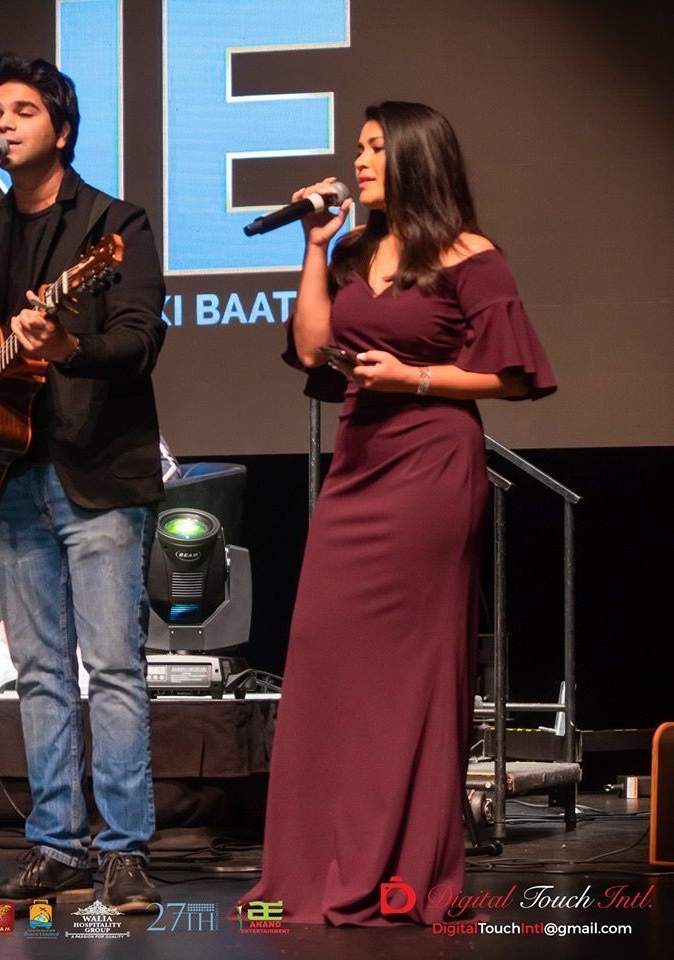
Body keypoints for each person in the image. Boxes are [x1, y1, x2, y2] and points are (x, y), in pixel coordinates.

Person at [240, 101, 556, 926]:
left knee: (409, 672)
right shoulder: (349, 250)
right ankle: (315, 864)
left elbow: (514, 380)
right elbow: (313, 351)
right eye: (359, 147)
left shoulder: (471, 257)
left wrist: (416, 379)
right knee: (321, 652)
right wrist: (312, 249)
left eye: (376, 148)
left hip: (431, 465)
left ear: (417, 157)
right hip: (359, 464)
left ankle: (402, 868)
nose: (361, 161)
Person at [0, 53, 166, 912]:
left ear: (62, 127)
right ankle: (56, 845)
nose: (4, 125)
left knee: (113, 668)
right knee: (42, 671)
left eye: (21, 111)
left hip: (99, 475)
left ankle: (122, 852)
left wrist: (63, 348)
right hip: (7, 480)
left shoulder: (113, 226)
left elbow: (139, 340)